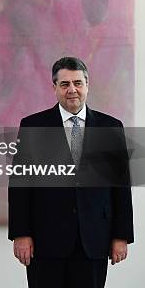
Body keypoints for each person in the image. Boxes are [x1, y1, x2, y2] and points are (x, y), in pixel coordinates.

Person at [8, 57, 133, 288]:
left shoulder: (110, 127)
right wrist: (21, 233)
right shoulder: (33, 126)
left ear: (87, 85)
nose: (72, 89)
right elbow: (20, 185)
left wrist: (121, 236)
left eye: (78, 83)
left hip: (95, 239)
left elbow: (121, 186)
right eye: (65, 84)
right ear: (54, 88)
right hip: (45, 240)